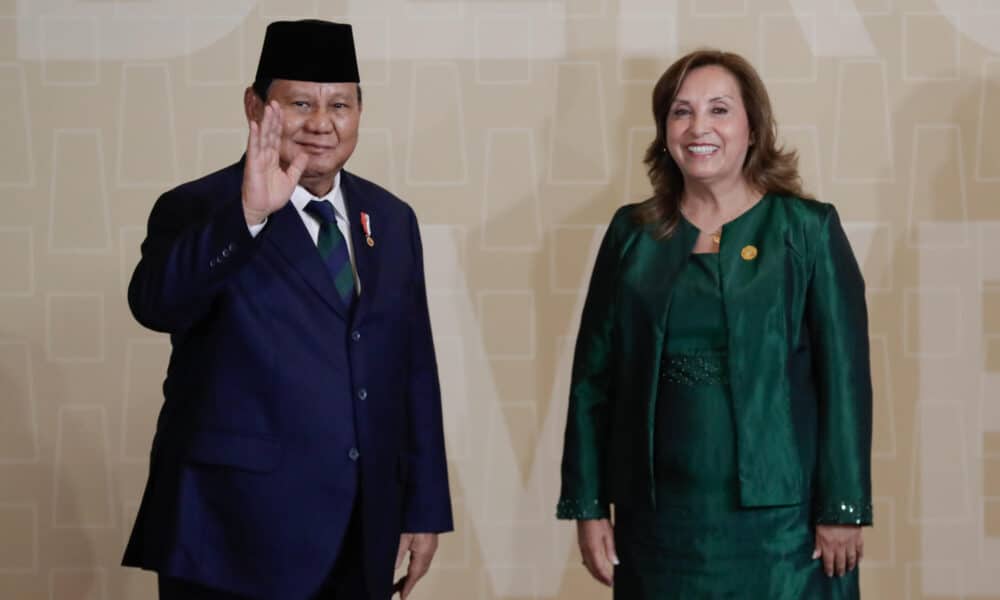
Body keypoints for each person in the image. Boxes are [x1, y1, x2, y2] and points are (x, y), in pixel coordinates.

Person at [122, 20, 453, 600]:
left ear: (359, 111)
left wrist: (424, 504)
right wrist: (247, 217)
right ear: (256, 107)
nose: (321, 124)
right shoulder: (199, 207)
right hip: (229, 534)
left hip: (360, 529)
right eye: (300, 102)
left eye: (340, 105)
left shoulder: (392, 219)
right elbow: (155, 304)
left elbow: (414, 369)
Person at [556, 48, 873, 598]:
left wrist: (844, 504)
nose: (698, 127)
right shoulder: (631, 234)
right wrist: (588, 505)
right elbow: (593, 381)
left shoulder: (807, 230)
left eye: (719, 110)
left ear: (754, 129)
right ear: (664, 131)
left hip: (783, 530)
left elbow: (845, 379)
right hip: (656, 524)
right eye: (681, 112)